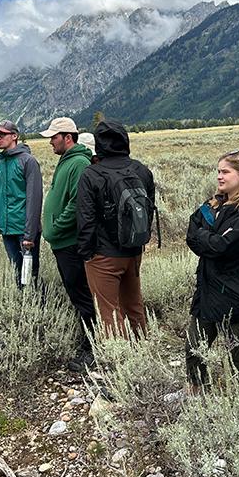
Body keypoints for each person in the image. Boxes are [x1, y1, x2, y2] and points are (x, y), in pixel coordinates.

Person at [186, 150, 239, 389]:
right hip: (208, 288)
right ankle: (199, 395)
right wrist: (208, 238)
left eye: (225, 172)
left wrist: (206, 238)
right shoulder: (216, 203)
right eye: (218, 171)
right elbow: (191, 232)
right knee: (194, 348)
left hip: (237, 291)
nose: (219, 177)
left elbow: (222, 246)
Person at [77, 120, 155, 338]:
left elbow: (85, 220)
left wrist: (86, 253)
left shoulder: (91, 174)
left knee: (108, 312)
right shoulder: (142, 170)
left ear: (99, 145)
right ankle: (142, 350)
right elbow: (148, 211)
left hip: (103, 254)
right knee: (134, 305)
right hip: (134, 249)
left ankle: (119, 359)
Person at [40, 117, 96, 371]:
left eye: (54, 137)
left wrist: (57, 226)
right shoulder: (68, 161)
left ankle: (92, 348)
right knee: (77, 295)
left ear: (68, 137)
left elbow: (77, 204)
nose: (51, 141)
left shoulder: (79, 163)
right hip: (63, 242)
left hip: (71, 243)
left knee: (82, 296)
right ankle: (88, 342)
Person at [0, 119, 42, 287]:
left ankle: (35, 307)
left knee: (29, 275)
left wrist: (29, 233)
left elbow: (34, 198)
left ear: (14, 136)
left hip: (24, 230)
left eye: (2, 135)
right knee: (17, 273)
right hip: (7, 229)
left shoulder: (28, 161)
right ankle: (21, 307)